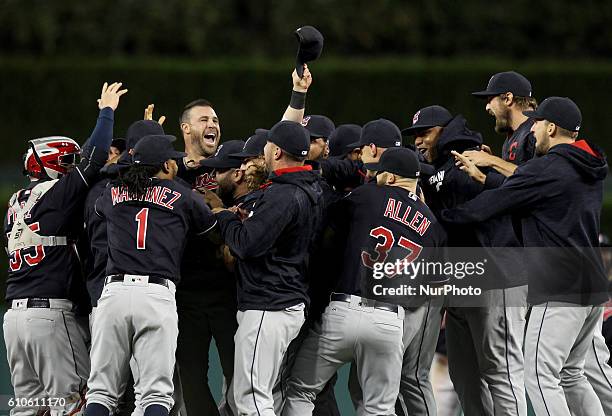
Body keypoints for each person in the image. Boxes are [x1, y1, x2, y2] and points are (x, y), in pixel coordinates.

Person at [444, 97, 609, 416]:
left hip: (561, 283)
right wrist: (488, 177)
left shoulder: (549, 167)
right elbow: (530, 193)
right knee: (572, 376)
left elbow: (487, 208)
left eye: (537, 125)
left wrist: (441, 218)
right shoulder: (587, 166)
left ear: (550, 127)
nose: (532, 132)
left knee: (539, 376)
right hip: (592, 283)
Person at [283, 147, 447, 416]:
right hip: (391, 321)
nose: (373, 177)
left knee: (300, 389)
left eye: (378, 173)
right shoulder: (433, 223)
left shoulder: (367, 195)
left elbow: (328, 228)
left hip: (344, 310)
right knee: (378, 408)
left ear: (391, 178)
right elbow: (434, 288)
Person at [4, 81, 124, 416]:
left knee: (29, 408)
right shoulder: (57, 195)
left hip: (14, 318)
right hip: (50, 315)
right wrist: (106, 110)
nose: (75, 164)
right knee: (73, 404)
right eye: (68, 160)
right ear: (54, 164)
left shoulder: (16, 203)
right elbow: (96, 154)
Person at [406, 104, 529, 416]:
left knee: (500, 371)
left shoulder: (470, 158)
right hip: (461, 280)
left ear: (444, 132)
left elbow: (495, 206)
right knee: (463, 375)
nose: (419, 140)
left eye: (426, 133)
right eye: (415, 135)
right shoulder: (437, 168)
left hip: (497, 275)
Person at [84, 134, 217, 416]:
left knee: (101, 392)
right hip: (156, 294)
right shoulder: (183, 195)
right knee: (155, 394)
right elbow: (210, 230)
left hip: (114, 294)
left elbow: (99, 210)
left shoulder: (110, 194)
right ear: (167, 166)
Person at [215, 120, 323, 416]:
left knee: (251, 399)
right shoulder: (308, 186)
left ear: (276, 152)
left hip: (269, 303)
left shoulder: (282, 195)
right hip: (285, 298)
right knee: (260, 395)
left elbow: (245, 245)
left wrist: (224, 217)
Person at [466, 71, 538, 187]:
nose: (487, 107)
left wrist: (492, 161)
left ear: (508, 99)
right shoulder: (513, 134)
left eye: (490, 99)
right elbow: (513, 185)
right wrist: (491, 167)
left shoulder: (536, 131)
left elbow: (537, 180)